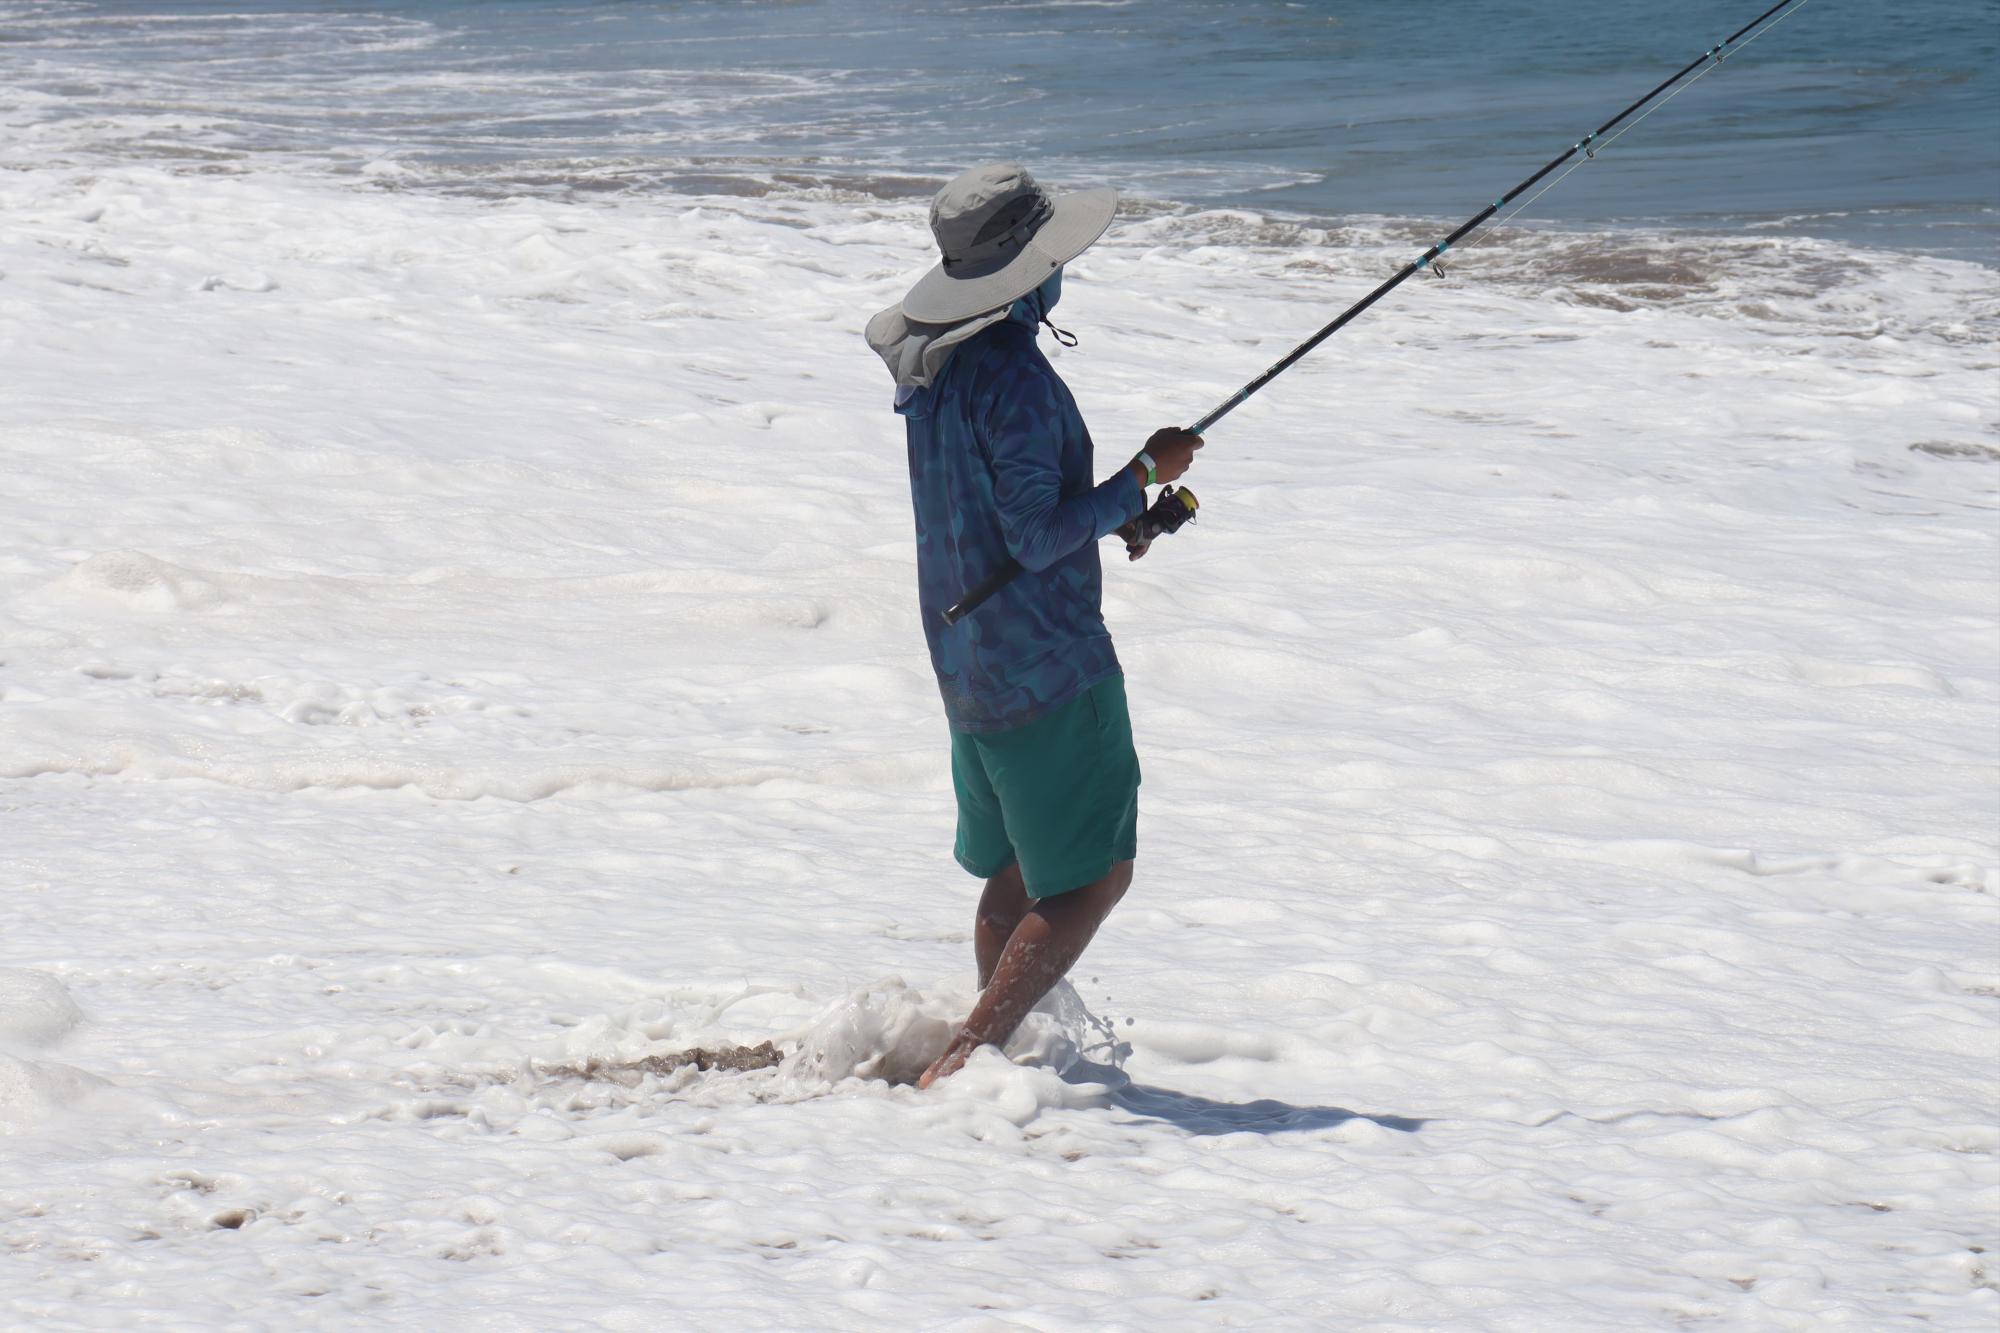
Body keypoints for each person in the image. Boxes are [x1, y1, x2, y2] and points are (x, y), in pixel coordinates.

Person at [864, 162, 1201, 1089]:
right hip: (1047, 663)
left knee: (1012, 870)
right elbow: (1039, 532)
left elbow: (1003, 515)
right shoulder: (1013, 374)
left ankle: (992, 1054)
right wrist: (1141, 473)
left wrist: (1119, 516)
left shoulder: (931, 366)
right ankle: (971, 1055)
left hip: (966, 656)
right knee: (1094, 875)